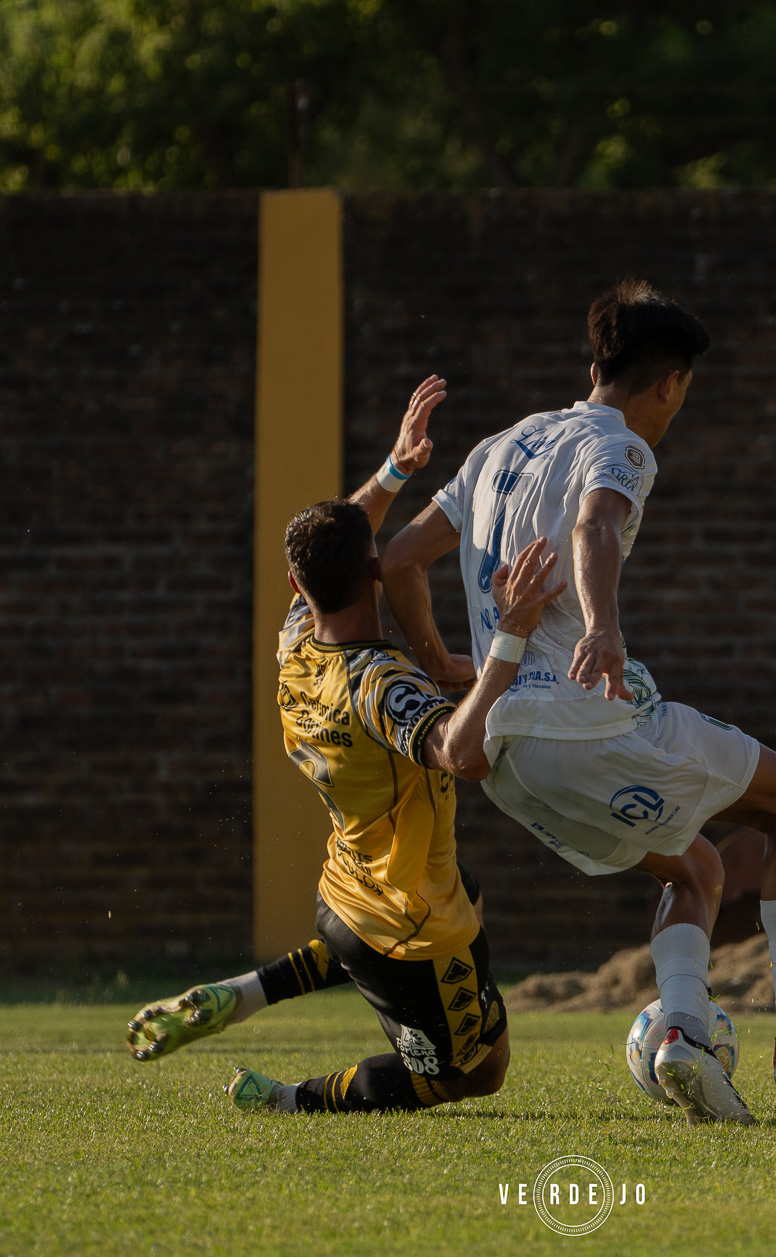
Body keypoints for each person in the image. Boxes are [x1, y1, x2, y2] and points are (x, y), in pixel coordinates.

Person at [381, 281, 776, 1127]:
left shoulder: (502, 446)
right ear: (670, 383)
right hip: (586, 720)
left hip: (509, 759)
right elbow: (596, 526)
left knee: (696, 866)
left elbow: (399, 559)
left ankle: (678, 1033)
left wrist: (444, 660)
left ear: (595, 360)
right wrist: (603, 629)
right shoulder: (622, 445)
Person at [125, 376, 566, 1116]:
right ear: (374, 571)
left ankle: (246, 992)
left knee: (464, 885)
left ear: (298, 584)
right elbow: (462, 755)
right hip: (412, 933)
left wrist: (395, 469)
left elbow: (339, 540)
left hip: (345, 895)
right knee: (472, 1074)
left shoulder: (295, 646)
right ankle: (288, 1100)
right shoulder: (383, 688)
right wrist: (510, 636)